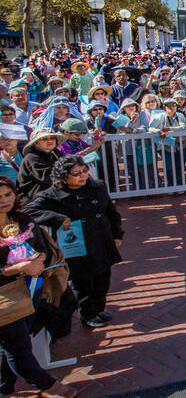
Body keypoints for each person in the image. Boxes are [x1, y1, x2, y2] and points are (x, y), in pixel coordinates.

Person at [26, 155, 123, 329]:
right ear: (64, 177)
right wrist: (56, 218)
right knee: (83, 282)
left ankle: (99, 308)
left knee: (103, 278)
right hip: (77, 245)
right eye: (76, 173)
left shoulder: (98, 186)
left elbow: (111, 212)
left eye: (84, 170)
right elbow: (30, 210)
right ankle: (88, 314)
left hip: (101, 240)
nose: (83, 176)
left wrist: (117, 234)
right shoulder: (52, 195)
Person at [0, 177, 77, 398]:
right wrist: (17, 268)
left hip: (31, 289)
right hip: (5, 295)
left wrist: (38, 259)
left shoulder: (22, 220)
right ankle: (50, 386)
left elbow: (41, 247)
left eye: (7, 194)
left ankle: (4, 388)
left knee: (13, 344)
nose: (4, 200)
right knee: (19, 348)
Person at [17, 129, 65, 206]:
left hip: (53, 195)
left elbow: (68, 164)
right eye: (44, 139)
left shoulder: (54, 153)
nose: (49, 141)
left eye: (52, 138)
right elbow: (48, 178)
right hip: (34, 201)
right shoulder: (32, 157)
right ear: (36, 143)